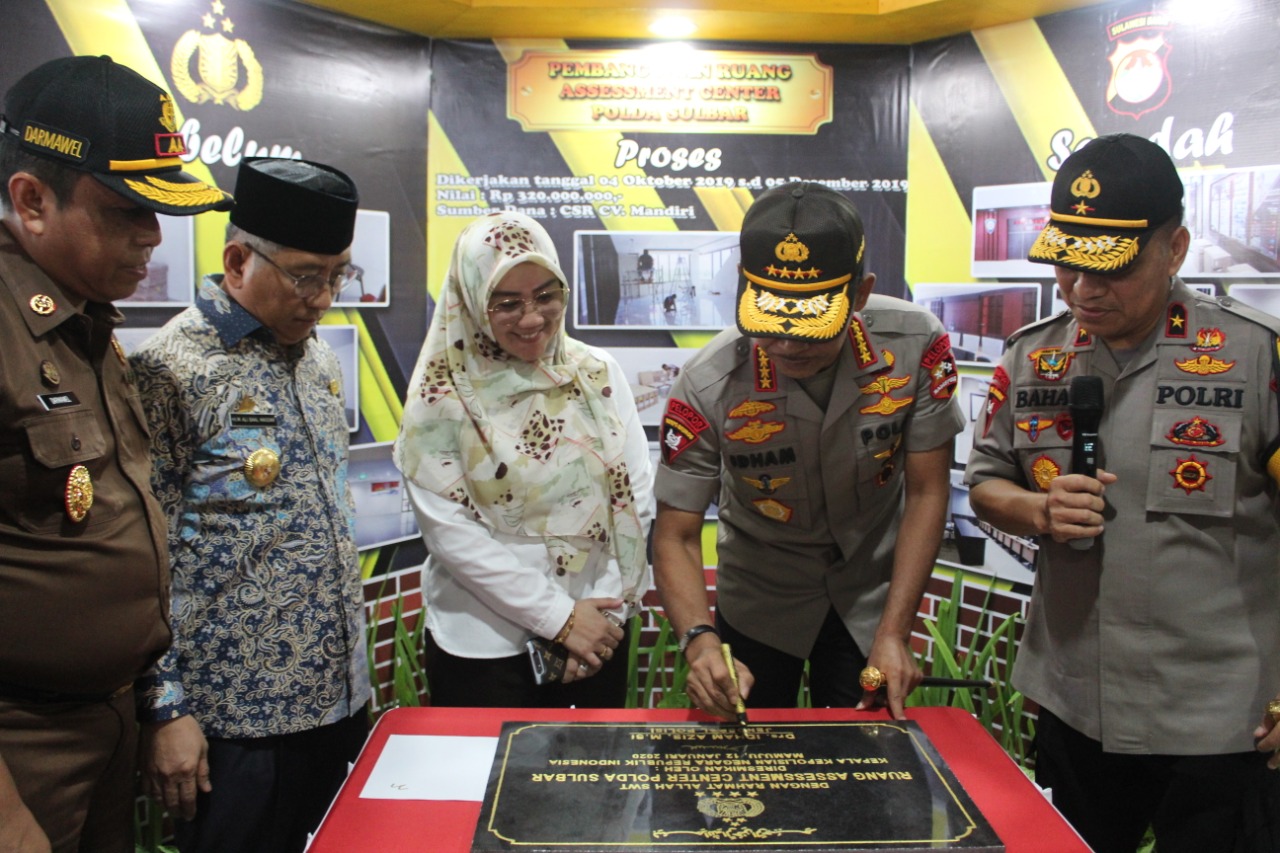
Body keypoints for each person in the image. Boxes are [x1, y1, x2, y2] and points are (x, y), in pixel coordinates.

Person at [964, 133, 1280, 852]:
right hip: (1076, 704)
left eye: (1112, 268)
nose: (1083, 289)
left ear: (1175, 249)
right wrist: (1038, 509)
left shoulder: (1254, 356)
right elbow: (985, 481)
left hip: (1221, 719)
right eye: (1067, 264)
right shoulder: (1034, 353)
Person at [0, 55, 231, 853]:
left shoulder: (87, 326)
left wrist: (155, 704)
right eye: (127, 209)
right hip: (23, 744)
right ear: (33, 201)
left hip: (107, 723)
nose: (152, 236)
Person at [128, 157, 371, 853]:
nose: (323, 298)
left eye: (338, 275)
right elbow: (142, 557)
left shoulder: (319, 361)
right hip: (236, 722)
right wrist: (164, 706)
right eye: (305, 276)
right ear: (238, 261)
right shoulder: (169, 369)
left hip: (339, 702)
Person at [652, 181, 963, 721]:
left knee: (865, 752)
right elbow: (676, 533)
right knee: (741, 754)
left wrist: (895, 631)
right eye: (771, 323)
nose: (788, 344)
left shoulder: (914, 346)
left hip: (870, 599)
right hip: (759, 600)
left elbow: (928, 492)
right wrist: (700, 642)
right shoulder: (709, 382)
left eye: (812, 326)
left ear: (860, 295)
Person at [394, 210, 653, 708]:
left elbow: (634, 495)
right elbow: (450, 533)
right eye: (507, 303)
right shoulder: (440, 397)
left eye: (546, 295)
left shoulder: (596, 373)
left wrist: (603, 618)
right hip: (484, 643)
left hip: (599, 629)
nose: (532, 318)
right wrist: (559, 619)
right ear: (471, 300)